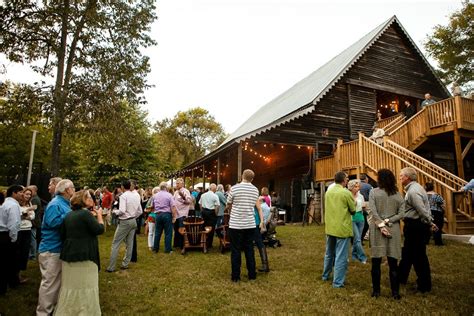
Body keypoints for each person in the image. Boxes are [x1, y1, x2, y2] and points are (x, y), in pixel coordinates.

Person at [54, 190, 104, 315]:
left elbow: (62, 234)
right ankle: (85, 311)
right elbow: (99, 229)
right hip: (85, 254)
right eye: (88, 197)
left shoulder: (68, 215)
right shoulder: (85, 214)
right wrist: (99, 216)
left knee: (70, 285)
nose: (92, 199)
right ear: (82, 200)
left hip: (69, 253)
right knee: (85, 285)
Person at [37, 179, 75, 315]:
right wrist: (71, 215)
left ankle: (53, 310)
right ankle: (43, 313)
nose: (74, 190)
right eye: (73, 187)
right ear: (66, 190)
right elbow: (52, 223)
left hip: (59, 248)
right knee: (49, 284)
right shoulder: (55, 204)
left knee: (57, 283)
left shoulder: (65, 203)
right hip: (51, 248)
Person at [398, 167, 438, 293]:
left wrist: (430, 222)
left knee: (419, 256)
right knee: (408, 253)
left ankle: (424, 285)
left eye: (401, 176)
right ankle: (400, 278)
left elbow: (422, 210)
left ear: (407, 177)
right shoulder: (415, 188)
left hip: (416, 226)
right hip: (414, 225)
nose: (399, 178)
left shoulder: (413, 191)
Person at [368, 169, 405, 299]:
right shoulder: (398, 195)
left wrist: (381, 224)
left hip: (378, 229)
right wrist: (389, 220)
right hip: (393, 228)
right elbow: (401, 213)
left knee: (376, 262)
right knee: (393, 263)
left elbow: (372, 211)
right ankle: (395, 293)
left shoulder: (374, 192)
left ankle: (376, 292)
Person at [227, 169, 263, 282]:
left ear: (242, 176)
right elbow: (254, 205)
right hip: (250, 223)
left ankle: (235, 276)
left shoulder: (234, 188)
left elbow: (228, 204)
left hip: (235, 224)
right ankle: (252, 274)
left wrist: (231, 210)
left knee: (236, 250)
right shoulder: (255, 190)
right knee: (249, 249)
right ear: (252, 179)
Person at [321, 171, 355, 288]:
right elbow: (353, 209)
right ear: (344, 180)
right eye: (347, 178)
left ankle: (325, 275)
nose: (348, 180)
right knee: (341, 256)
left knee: (329, 253)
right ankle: (337, 282)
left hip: (330, 227)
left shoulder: (328, 192)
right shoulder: (346, 193)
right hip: (342, 228)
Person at [106, 180, 142, 272]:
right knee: (130, 244)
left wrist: (114, 211)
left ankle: (111, 267)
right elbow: (140, 211)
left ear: (122, 187)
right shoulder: (137, 195)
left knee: (115, 243)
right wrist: (133, 216)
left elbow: (122, 210)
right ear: (130, 186)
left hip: (125, 221)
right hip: (133, 221)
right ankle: (125, 264)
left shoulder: (123, 196)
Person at [0, 185, 23, 296]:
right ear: (14, 193)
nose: (23, 194)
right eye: (21, 192)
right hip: (6, 236)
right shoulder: (13, 205)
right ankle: (7, 286)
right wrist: (13, 239)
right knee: (9, 262)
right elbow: (13, 224)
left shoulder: (4, 202)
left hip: (2, 234)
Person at [151, 182, 177, 254]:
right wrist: (174, 216)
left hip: (158, 215)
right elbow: (173, 207)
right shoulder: (169, 195)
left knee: (157, 232)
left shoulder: (155, 196)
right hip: (167, 215)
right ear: (166, 187)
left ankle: (155, 249)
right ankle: (168, 249)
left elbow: (152, 206)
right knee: (168, 233)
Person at [18, 187, 35, 283]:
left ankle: (19, 274)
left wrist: (27, 216)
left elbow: (33, 216)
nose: (28, 196)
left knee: (24, 252)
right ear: (22, 194)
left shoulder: (29, 204)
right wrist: (26, 213)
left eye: (30, 194)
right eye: (26, 194)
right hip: (19, 230)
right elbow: (18, 216)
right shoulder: (16, 204)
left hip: (27, 229)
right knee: (17, 252)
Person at [347, 180, 366, 264]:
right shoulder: (347, 195)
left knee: (357, 239)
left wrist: (364, 206)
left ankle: (354, 255)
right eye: (356, 186)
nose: (358, 188)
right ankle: (362, 257)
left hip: (361, 218)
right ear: (351, 187)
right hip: (352, 219)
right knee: (358, 239)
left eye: (358, 186)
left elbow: (363, 206)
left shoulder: (360, 196)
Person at [173, 178, 192, 250]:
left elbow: (189, 201)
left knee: (181, 230)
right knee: (176, 230)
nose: (176, 184)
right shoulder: (176, 192)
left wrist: (183, 198)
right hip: (176, 214)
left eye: (178, 183)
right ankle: (176, 244)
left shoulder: (186, 191)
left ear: (182, 184)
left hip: (182, 214)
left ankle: (182, 245)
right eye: (176, 183)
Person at [200, 183, 220, 249]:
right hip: (211, 212)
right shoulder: (215, 196)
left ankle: (203, 241)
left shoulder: (203, 195)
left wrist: (202, 211)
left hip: (204, 212)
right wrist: (216, 213)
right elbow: (217, 206)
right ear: (214, 189)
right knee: (211, 228)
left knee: (204, 226)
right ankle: (209, 244)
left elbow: (200, 204)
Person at [254, 196, 270, 272]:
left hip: (255, 222)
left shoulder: (254, 197)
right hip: (253, 222)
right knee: (258, 242)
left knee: (259, 242)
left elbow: (259, 209)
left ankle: (265, 265)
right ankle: (264, 265)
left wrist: (261, 221)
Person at [28, 185, 42, 260]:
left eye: (30, 190)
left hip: (34, 222)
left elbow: (33, 210)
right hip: (34, 221)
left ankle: (32, 255)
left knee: (32, 238)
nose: (29, 192)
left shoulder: (35, 199)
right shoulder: (34, 198)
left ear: (35, 191)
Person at [359, 174, 372, 245]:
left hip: (360, 202)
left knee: (362, 219)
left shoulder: (358, 185)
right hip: (367, 202)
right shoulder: (369, 186)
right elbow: (371, 195)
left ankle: (361, 235)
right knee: (369, 219)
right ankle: (366, 236)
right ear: (366, 179)